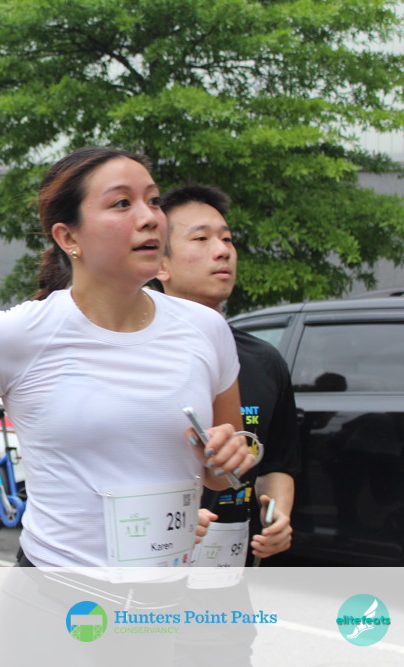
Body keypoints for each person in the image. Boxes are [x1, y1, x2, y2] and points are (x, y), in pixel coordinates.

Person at [0, 147, 255, 569]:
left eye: (154, 200)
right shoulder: (15, 333)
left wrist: (232, 454)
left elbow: (223, 469)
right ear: (69, 238)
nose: (149, 217)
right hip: (54, 591)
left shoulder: (207, 328)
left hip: (169, 596)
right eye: (122, 203)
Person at [156, 184, 299, 565]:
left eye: (227, 239)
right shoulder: (134, 357)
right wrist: (161, 516)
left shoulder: (264, 360)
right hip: (147, 568)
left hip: (230, 570)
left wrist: (278, 515)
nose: (222, 251)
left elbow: (276, 464)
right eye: (201, 239)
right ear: (160, 264)